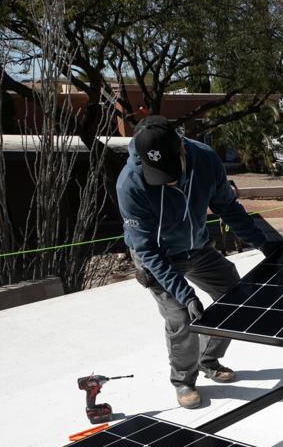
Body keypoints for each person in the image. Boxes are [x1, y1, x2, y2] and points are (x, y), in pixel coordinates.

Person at [117, 115, 274, 409]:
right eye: (159, 174)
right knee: (181, 318)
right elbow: (147, 250)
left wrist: (263, 242)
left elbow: (227, 207)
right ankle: (184, 381)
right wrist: (186, 294)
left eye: (171, 170)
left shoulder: (205, 159)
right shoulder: (130, 184)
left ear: (181, 150)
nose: (169, 180)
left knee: (235, 298)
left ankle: (208, 360)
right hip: (158, 257)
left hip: (197, 246)